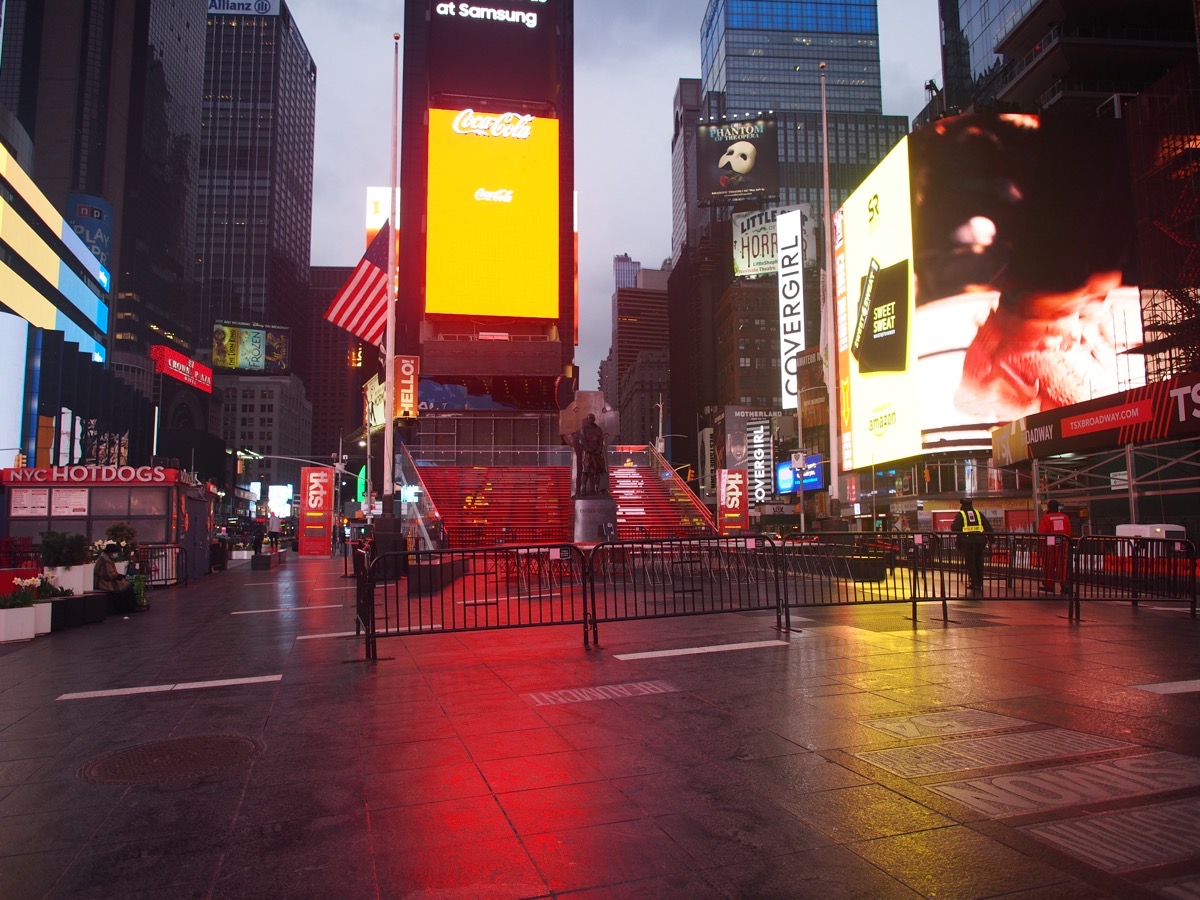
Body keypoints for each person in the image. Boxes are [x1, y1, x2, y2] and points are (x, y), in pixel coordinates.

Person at [951, 498, 992, 594]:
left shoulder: (961, 515)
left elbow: (955, 528)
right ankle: (979, 583)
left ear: (962, 505)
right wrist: (992, 540)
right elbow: (988, 527)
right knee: (979, 562)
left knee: (971, 563)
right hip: (980, 542)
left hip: (968, 542)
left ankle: (975, 583)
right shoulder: (978, 514)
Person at [1037, 499, 1072, 594]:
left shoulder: (1046, 518)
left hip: (1050, 544)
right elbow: (1069, 532)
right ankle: (1065, 586)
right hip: (1063, 543)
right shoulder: (1065, 517)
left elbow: (1041, 533)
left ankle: (1049, 585)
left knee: (1049, 565)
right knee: (1063, 566)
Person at [94, 542, 137, 613]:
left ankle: (128, 607)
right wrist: (121, 577)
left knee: (125, 584)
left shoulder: (105, 557)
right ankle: (129, 607)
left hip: (105, 580)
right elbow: (110, 575)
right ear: (111, 552)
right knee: (127, 586)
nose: (116, 554)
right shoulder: (105, 559)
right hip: (104, 582)